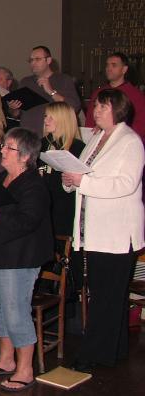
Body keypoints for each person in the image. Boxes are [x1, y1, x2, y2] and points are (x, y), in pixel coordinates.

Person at [0, 128, 53, 392]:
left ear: (25, 156)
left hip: (19, 257)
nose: (2, 150)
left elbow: (27, 221)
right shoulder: (2, 176)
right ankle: (6, 359)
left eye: (9, 147)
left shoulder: (34, 184)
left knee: (16, 312)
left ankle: (25, 370)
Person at [62, 89, 144, 373]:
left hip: (117, 232)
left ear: (118, 109)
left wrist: (82, 183)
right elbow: (82, 173)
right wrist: (70, 180)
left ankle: (93, 353)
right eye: (95, 106)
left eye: (103, 106)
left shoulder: (130, 141)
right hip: (94, 229)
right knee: (108, 295)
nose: (96, 110)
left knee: (106, 296)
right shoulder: (95, 138)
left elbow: (126, 184)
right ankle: (115, 349)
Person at [9, 45, 81, 137]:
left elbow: (74, 107)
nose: (33, 63)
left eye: (37, 59)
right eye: (31, 60)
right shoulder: (25, 82)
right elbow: (16, 114)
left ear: (49, 60)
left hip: (53, 136)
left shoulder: (63, 80)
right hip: (27, 137)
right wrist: (14, 108)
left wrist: (51, 92)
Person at [39, 102, 85, 236]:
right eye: (45, 116)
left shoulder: (77, 147)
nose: (45, 120)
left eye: (51, 117)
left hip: (64, 207)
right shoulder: (41, 143)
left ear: (63, 119)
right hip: (43, 205)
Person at [85, 52, 145, 140]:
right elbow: (90, 120)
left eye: (114, 65)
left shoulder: (136, 95)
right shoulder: (98, 93)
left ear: (124, 69)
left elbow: (141, 124)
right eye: (107, 65)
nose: (109, 68)